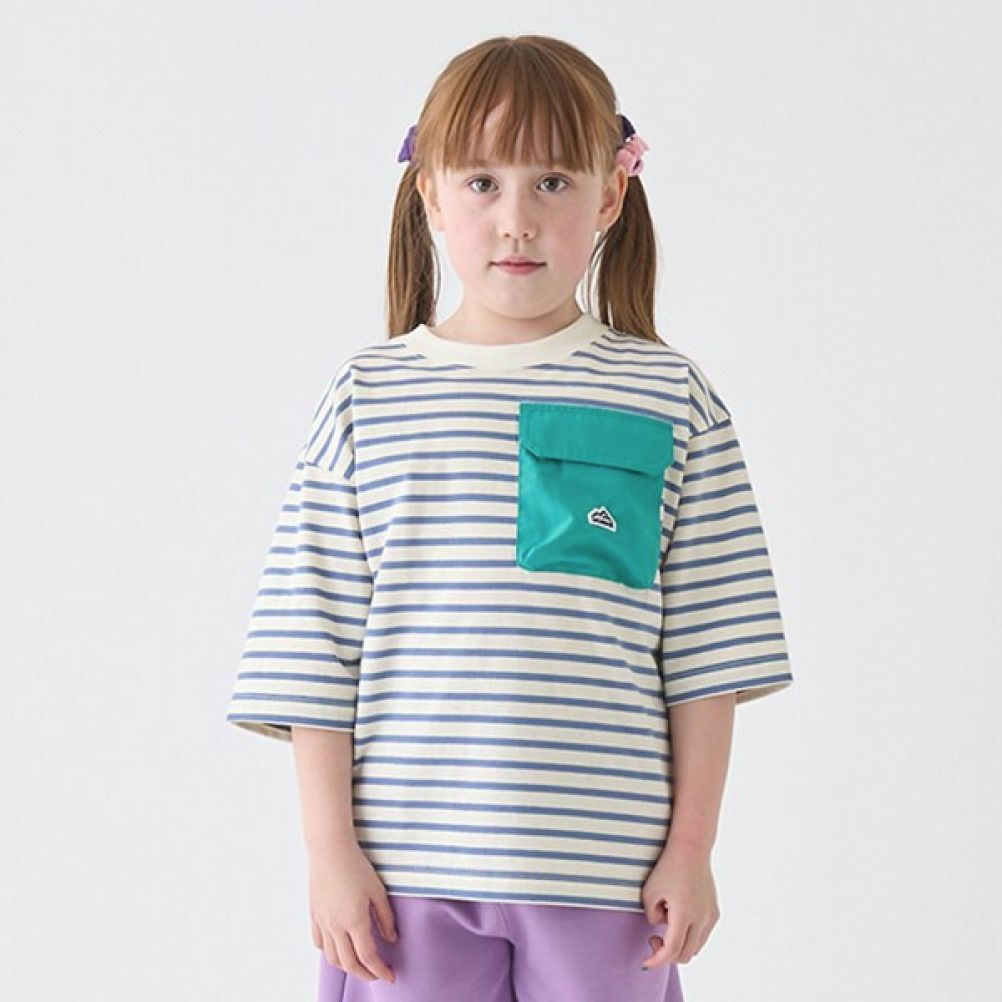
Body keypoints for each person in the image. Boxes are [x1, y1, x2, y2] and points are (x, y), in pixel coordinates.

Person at [225, 33, 794, 1002]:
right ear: (431, 195)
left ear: (610, 196)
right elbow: (313, 648)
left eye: (553, 183)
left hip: (609, 873)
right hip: (403, 880)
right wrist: (329, 854)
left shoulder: (671, 398)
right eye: (483, 182)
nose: (517, 219)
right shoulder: (366, 398)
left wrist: (692, 849)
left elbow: (709, 654)